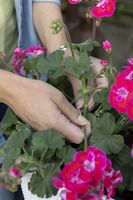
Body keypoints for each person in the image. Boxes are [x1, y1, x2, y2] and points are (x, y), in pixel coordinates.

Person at [0, 0, 107, 199]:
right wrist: (12, 90)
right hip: (19, 88)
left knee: (11, 187)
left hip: (22, 70)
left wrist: (63, 52)